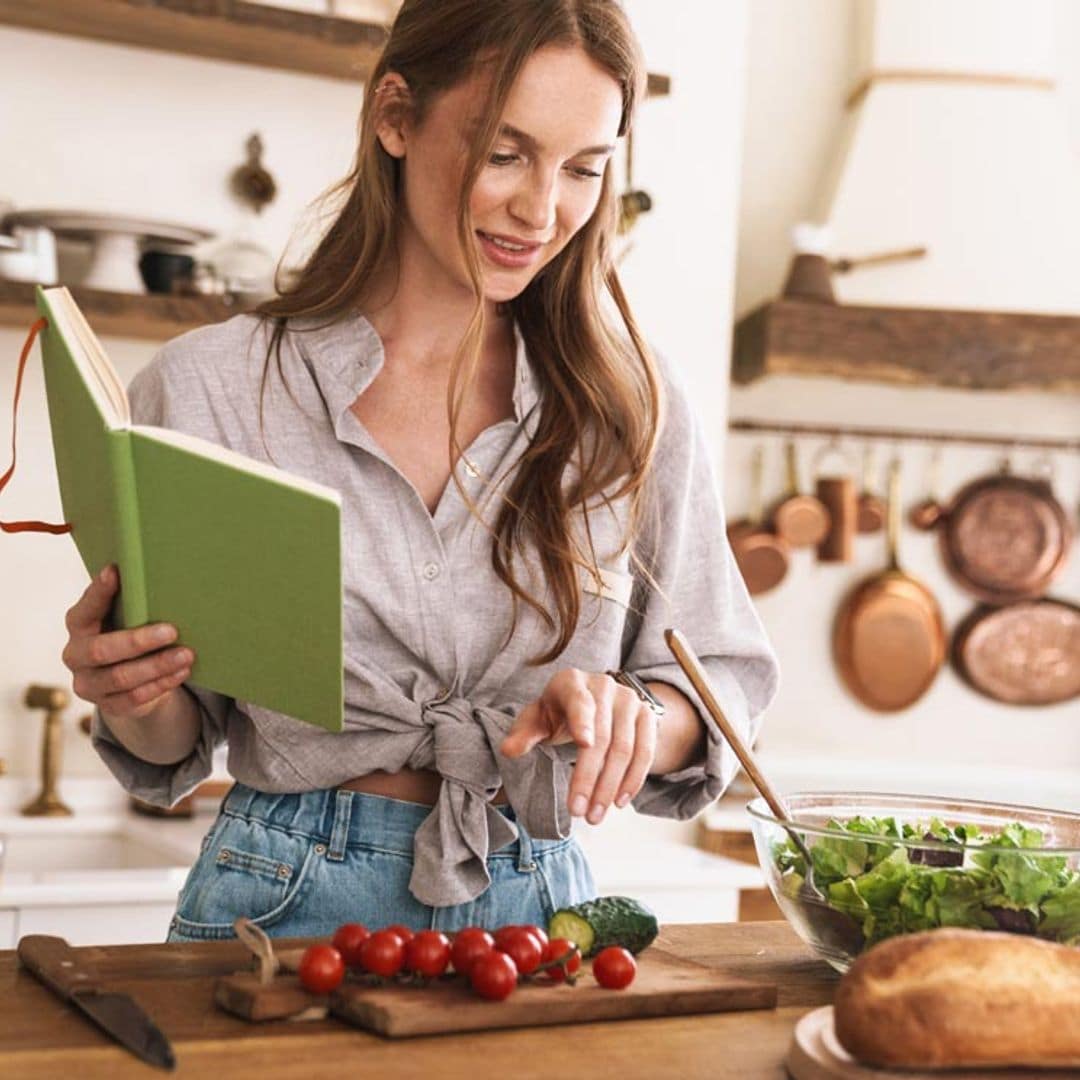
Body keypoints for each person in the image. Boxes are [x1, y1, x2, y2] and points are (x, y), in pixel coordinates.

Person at [61, 0, 778, 940]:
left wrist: (634, 718)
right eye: (506, 152)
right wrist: (131, 690)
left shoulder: (632, 404)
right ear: (395, 116)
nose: (542, 208)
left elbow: (718, 679)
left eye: (584, 170)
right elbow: (177, 737)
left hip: (537, 909)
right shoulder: (210, 389)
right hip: (277, 903)